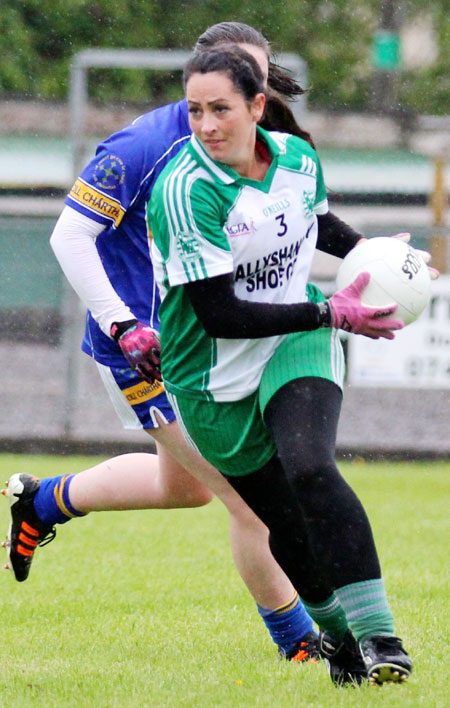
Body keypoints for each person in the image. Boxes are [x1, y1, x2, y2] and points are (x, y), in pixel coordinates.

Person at [3, 23, 326, 666]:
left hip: (209, 346)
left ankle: (43, 501)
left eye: (257, 84)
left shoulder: (263, 135)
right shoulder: (146, 144)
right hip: (148, 351)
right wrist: (124, 323)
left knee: (187, 489)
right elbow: (69, 237)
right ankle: (302, 649)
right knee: (251, 500)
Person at [148, 44, 422, 687]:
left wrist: (376, 258)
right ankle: (339, 641)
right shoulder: (186, 189)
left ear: (257, 106)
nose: (207, 125)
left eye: (220, 109)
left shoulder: (297, 159)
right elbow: (220, 315)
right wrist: (331, 313)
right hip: (212, 378)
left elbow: (314, 221)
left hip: (295, 337)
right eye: (194, 111)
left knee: (311, 466)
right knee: (285, 527)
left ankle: (383, 639)